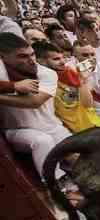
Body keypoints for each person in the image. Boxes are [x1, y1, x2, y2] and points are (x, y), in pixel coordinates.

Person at [0, 32, 71, 179]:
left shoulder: (47, 73)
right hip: (17, 130)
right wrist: (13, 86)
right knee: (42, 141)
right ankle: (58, 186)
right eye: (22, 56)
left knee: (78, 156)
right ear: (3, 57)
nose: (32, 60)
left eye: (32, 54)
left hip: (51, 127)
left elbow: (34, 102)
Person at [33, 41, 100, 133]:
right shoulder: (39, 84)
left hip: (95, 125)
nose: (63, 62)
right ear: (40, 61)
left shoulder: (70, 72)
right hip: (74, 135)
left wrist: (82, 79)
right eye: (56, 59)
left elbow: (88, 104)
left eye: (63, 57)